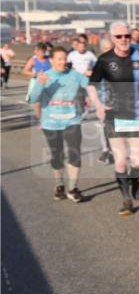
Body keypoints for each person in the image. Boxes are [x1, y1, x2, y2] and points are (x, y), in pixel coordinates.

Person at [86, 21, 139, 215]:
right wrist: (98, 105)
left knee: (138, 162)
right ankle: (126, 199)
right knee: (120, 161)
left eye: (127, 35)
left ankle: (135, 178)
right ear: (112, 38)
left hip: (136, 115)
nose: (124, 39)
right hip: (114, 115)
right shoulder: (105, 60)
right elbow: (92, 84)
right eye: (119, 36)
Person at [29, 47, 89, 202]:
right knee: (57, 156)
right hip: (51, 122)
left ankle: (73, 188)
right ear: (52, 60)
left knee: (75, 153)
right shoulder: (45, 76)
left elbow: (91, 86)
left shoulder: (75, 75)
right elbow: (33, 98)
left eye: (65, 59)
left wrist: (91, 94)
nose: (63, 62)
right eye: (59, 59)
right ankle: (59, 185)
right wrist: (40, 83)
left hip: (72, 120)